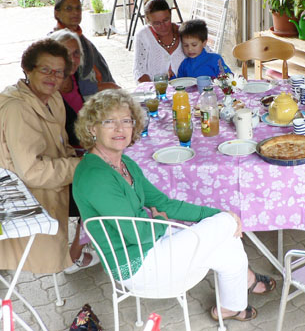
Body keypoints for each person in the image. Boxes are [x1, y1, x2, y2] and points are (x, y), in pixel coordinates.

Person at [73, 89, 276, 321]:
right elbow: (136, 236)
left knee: (226, 233)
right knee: (226, 225)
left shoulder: (124, 163)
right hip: (137, 267)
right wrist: (160, 221)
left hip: (153, 245)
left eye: (126, 121)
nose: (120, 129)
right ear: (92, 128)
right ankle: (243, 285)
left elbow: (163, 203)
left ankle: (230, 307)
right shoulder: (95, 176)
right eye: (109, 122)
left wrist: (218, 215)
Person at [0, 39, 81, 273]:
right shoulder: (18, 110)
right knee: (103, 194)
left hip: (54, 183)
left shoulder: (52, 98)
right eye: (45, 69)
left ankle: (85, 248)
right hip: (30, 198)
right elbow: (32, 173)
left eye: (59, 72)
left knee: (107, 182)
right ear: (28, 69)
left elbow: (62, 144)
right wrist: (82, 165)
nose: (52, 77)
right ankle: (78, 254)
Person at [48, 29, 101, 273]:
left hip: (85, 149)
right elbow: (57, 140)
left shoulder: (78, 80)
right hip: (64, 162)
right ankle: (74, 255)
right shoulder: (50, 90)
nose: (72, 59)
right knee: (100, 179)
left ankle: (100, 233)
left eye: (76, 53)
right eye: (66, 53)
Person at [53, 0, 119, 96]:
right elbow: (66, 83)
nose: (75, 12)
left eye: (78, 8)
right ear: (57, 13)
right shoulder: (56, 42)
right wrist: (103, 87)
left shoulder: (82, 39)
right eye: (69, 9)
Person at [133, 0, 185, 82]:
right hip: (156, 91)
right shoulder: (143, 35)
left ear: (171, 14)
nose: (163, 26)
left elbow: (207, 53)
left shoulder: (184, 32)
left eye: (166, 20)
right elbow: (139, 71)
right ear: (147, 20)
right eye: (156, 23)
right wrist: (153, 90)